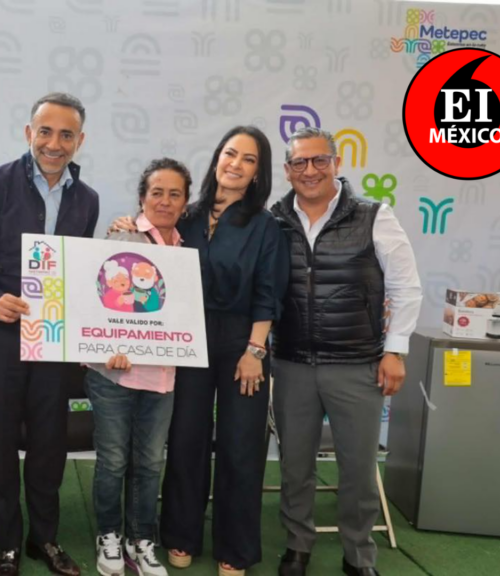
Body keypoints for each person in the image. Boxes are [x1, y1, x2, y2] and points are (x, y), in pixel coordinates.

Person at [269, 127, 422, 576]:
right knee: (295, 467)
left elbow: (406, 287)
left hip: (357, 366)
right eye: (300, 162)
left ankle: (358, 555)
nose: (310, 170)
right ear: (287, 170)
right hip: (292, 363)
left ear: (337, 163)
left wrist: (395, 351)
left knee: (357, 469)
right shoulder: (273, 220)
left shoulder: (374, 216)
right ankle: (297, 546)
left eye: (320, 160)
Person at [0, 92, 99, 576]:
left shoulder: (87, 200)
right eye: (45, 131)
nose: (54, 143)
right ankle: (8, 545)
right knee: (0, 443)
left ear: (80, 140)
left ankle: (44, 539)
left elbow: (80, 270)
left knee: (49, 444)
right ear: (28, 133)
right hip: (1, 336)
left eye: (66, 135)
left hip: (54, 339)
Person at [158, 126, 288, 576]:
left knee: (240, 444)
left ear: (258, 173)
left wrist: (255, 351)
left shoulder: (266, 226)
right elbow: (153, 253)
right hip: (188, 339)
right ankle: (180, 535)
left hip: (243, 341)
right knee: (186, 438)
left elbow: (269, 293)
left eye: (249, 159)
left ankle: (235, 547)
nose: (236, 164)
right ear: (217, 158)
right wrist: (126, 227)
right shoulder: (187, 216)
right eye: (231, 153)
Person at [88, 159, 191, 576]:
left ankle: (141, 539)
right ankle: (109, 535)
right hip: (114, 373)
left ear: (186, 202)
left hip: (162, 375)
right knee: (113, 460)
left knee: (149, 463)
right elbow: (99, 301)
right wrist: (108, 346)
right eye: (156, 193)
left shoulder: (186, 249)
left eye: (174, 194)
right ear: (142, 197)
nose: (165, 201)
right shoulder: (122, 235)